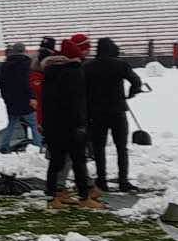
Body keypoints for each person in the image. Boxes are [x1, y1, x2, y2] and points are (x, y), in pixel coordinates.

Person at [41, 35, 99, 209]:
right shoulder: (74, 73)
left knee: (56, 163)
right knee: (79, 162)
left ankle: (52, 199)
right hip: (72, 126)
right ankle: (84, 197)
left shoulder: (50, 73)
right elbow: (77, 103)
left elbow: (47, 101)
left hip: (53, 125)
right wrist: (81, 124)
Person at [84, 36, 142, 193]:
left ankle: (101, 180)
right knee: (121, 147)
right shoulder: (120, 64)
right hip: (117, 110)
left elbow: (82, 90)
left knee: (99, 147)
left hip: (96, 113)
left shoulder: (88, 66)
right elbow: (136, 82)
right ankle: (123, 180)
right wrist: (130, 94)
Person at [0, 42, 44, 154]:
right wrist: (32, 97)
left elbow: (1, 84)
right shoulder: (27, 64)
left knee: (11, 124)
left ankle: (4, 145)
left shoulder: (5, 65)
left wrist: (6, 98)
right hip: (25, 100)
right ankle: (38, 146)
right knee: (34, 124)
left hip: (11, 101)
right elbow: (27, 83)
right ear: (24, 51)